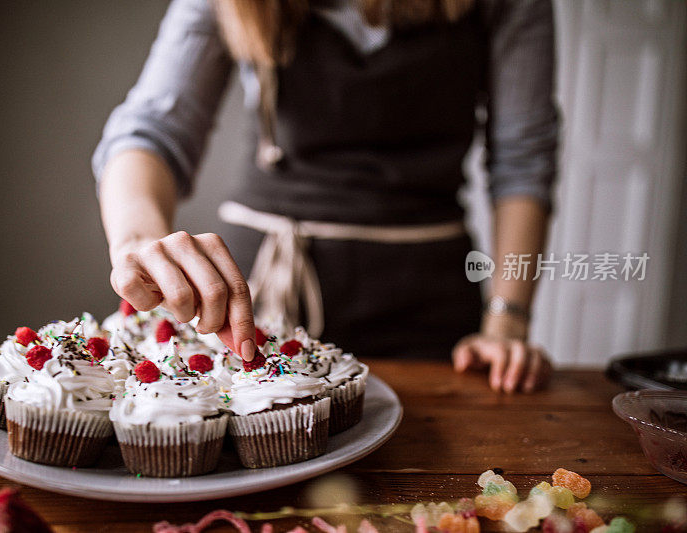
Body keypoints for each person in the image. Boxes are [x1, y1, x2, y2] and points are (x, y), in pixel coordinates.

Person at [93, 0, 557, 392]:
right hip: (261, 297)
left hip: (428, 305)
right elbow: (153, 129)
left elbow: (524, 162)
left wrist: (507, 322)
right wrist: (136, 239)